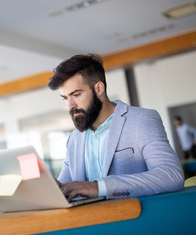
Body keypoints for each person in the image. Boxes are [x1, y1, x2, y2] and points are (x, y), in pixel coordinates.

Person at [48, 54, 184, 201]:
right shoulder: (74, 139)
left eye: (76, 94)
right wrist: (55, 189)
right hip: (87, 221)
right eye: (66, 98)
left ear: (99, 88)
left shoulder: (141, 120)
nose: (70, 105)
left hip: (132, 219)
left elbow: (171, 175)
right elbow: (67, 188)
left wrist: (98, 187)